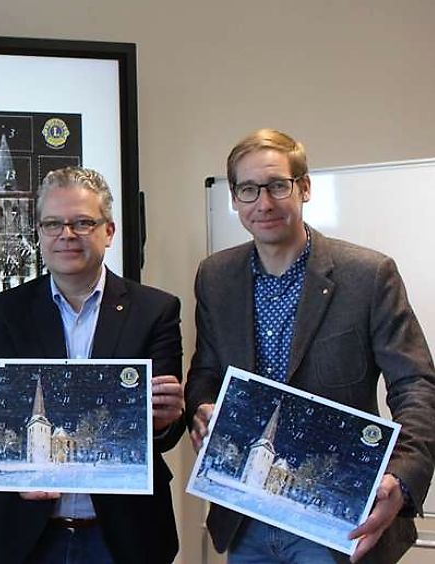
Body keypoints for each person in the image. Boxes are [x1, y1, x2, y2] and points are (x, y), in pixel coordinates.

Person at [186, 129, 435, 563]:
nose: (263, 203)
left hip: (337, 519)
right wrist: (202, 406)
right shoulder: (215, 277)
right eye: (248, 189)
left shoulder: (368, 275)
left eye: (278, 186)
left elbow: (416, 384)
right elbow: (206, 372)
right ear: (234, 198)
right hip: (246, 518)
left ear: (304, 187)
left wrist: (402, 474)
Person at [0, 167, 185, 564]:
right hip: (30, 535)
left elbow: (166, 431)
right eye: (53, 223)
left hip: (126, 536)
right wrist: (15, 471)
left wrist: (165, 419)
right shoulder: (8, 310)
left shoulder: (155, 310)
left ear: (109, 231)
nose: (66, 235)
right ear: (39, 232)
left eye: (82, 223)